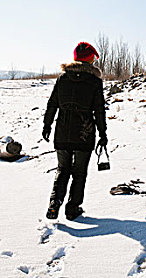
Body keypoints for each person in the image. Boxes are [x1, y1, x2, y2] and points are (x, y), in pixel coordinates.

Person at [43, 42, 107, 221]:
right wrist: (102, 133)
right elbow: (99, 110)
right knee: (79, 172)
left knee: (62, 169)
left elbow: (52, 104)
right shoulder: (94, 81)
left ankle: (54, 203)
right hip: (84, 134)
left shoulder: (63, 78)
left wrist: (47, 125)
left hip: (62, 132)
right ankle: (72, 208)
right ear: (90, 59)